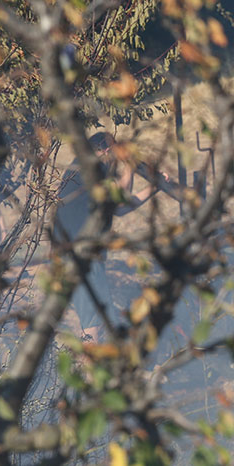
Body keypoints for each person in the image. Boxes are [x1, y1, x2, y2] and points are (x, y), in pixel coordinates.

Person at [53, 132, 165, 339]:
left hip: (80, 253)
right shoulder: (91, 169)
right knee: (93, 321)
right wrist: (129, 167)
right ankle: (90, 359)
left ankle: (97, 356)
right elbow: (120, 199)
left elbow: (119, 208)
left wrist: (153, 188)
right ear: (105, 150)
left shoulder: (86, 170)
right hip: (81, 253)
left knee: (98, 318)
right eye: (115, 152)